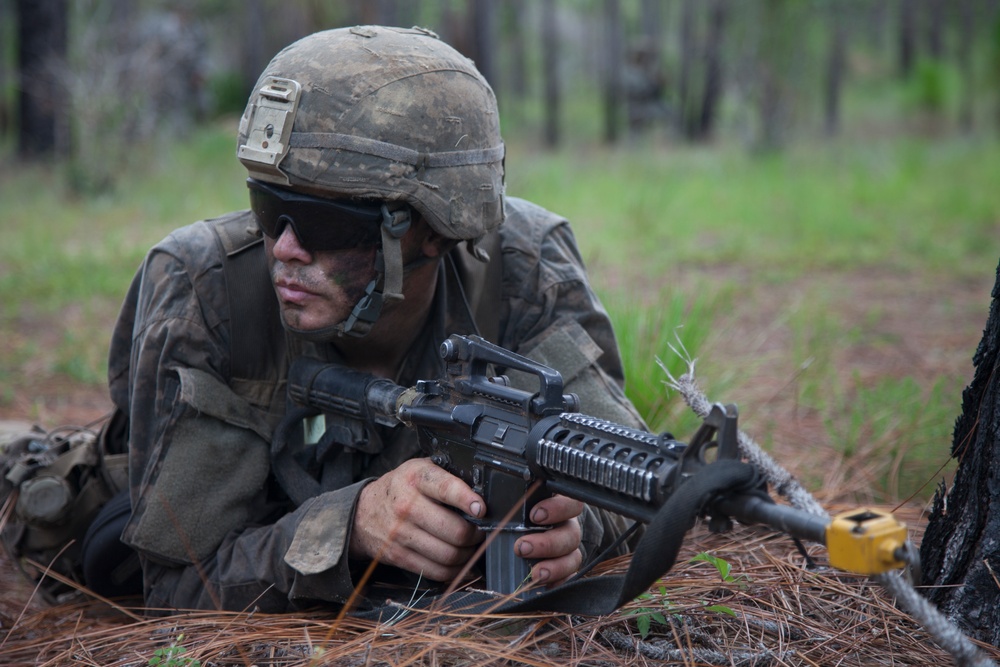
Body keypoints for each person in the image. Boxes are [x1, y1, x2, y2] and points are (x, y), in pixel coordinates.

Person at [108, 25, 646, 614]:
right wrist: (350, 529)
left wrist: (572, 530)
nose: (285, 248)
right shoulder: (204, 285)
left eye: (326, 223)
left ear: (435, 230)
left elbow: (628, 483)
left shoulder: (523, 266)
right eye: (269, 208)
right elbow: (173, 586)